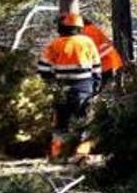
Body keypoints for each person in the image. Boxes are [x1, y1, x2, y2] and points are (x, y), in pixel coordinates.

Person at [37, 12, 102, 161]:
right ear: (79, 27)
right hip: (84, 87)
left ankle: (57, 154)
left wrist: (51, 84)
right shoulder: (88, 42)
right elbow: (97, 67)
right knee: (83, 121)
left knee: (60, 123)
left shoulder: (54, 44)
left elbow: (43, 69)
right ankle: (81, 154)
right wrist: (96, 86)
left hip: (61, 88)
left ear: (62, 27)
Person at [81, 18, 125, 88]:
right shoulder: (90, 29)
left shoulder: (88, 31)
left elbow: (91, 52)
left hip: (106, 64)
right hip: (108, 62)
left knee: (96, 88)